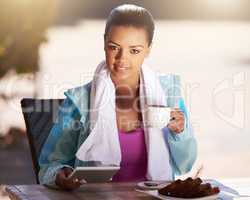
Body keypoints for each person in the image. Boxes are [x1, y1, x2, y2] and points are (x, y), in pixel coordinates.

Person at [38, 4, 197, 190]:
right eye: (114, 47)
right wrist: (60, 175)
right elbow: (49, 167)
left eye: (134, 50)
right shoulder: (79, 101)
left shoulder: (168, 93)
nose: (122, 59)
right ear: (104, 43)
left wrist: (180, 132)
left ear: (148, 49)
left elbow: (185, 165)